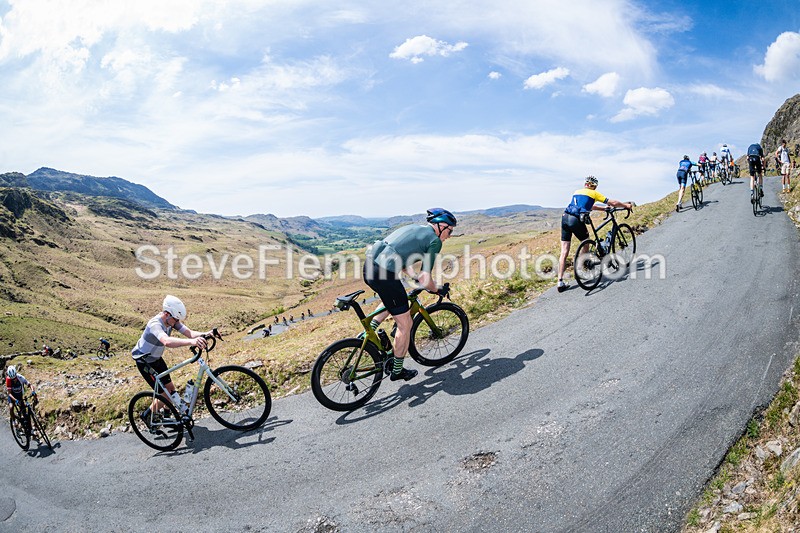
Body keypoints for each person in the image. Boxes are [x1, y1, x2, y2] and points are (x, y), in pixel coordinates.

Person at [362, 208, 456, 380]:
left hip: (369, 267)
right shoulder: (434, 241)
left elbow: (403, 262)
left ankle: (367, 335)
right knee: (405, 324)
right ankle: (397, 371)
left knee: (394, 300)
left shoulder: (414, 229)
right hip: (385, 275)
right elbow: (427, 278)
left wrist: (415, 277)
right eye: (450, 230)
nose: (449, 235)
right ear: (441, 226)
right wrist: (436, 289)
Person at [131, 295, 211, 418]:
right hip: (145, 361)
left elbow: (189, 333)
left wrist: (207, 334)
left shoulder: (171, 321)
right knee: (165, 395)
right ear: (167, 314)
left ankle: (168, 416)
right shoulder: (155, 324)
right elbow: (167, 341)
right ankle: (147, 415)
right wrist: (192, 342)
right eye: (175, 319)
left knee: (171, 388)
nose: (176, 322)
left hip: (156, 359)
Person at [557, 176, 633, 292]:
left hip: (565, 218)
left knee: (564, 252)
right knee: (586, 241)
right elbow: (613, 202)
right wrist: (626, 205)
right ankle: (583, 267)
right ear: (595, 186)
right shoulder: (594, 193)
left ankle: (560, 282)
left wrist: (603, 209)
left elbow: (588, 205)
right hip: (575, 220)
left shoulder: (577, 192)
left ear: (585, 184)